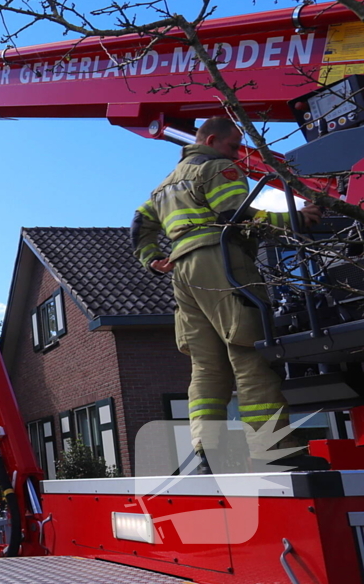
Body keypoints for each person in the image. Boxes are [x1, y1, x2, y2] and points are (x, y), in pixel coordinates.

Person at [132, 116, 329, 474]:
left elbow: (139, 225)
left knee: (207, 367)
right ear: (211, 139)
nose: (239, 154)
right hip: (221, 262)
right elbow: (234, 215)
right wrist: (296, 219)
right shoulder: (219, 168)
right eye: (234, 145)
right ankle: (275, 450)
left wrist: (152, 259)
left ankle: (208, 454)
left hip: (184, 275)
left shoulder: (162, 188)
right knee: (249, 353)